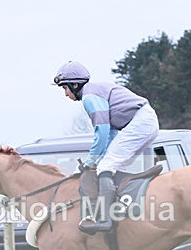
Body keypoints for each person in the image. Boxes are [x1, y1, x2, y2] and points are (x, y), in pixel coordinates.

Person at [53, 61, 159, 233]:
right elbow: (110, 134)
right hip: (144, 121)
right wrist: (97, 159)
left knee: (106, 166)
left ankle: (105, 219)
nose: (65, 94)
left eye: (65, 88)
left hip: (141, 122)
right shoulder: (94, 91)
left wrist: (90, 162)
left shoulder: (89, 97)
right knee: (111, 164)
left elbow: (101, 132)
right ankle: (122, 204)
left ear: (75, 85)